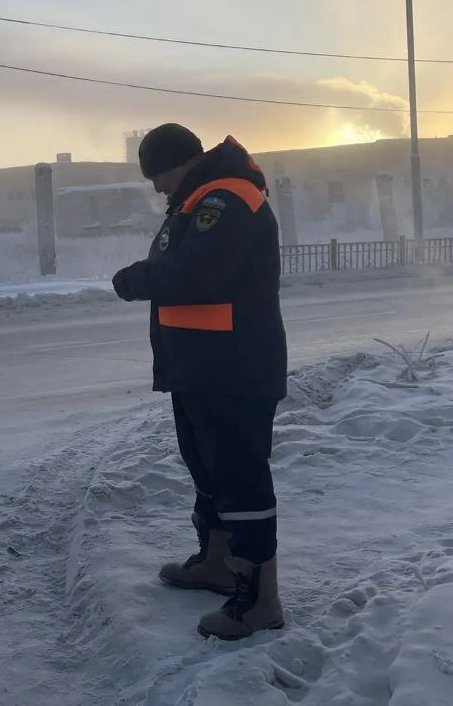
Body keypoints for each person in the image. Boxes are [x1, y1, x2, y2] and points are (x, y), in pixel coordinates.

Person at [111, 125, 288, 640]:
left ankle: (259, 601)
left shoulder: (226, 198)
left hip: (234, 368)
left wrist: (137, 279)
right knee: (209, 469)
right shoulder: (194, 201)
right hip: (201, 368)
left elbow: (196, 273)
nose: (157, 188)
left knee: (240, 480)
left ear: (179, 163)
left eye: (158, 176)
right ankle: (216, 564)